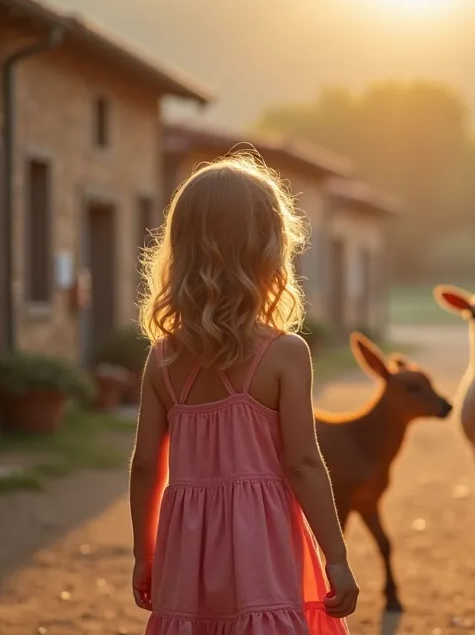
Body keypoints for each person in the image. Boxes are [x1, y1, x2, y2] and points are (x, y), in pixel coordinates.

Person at [128, 154, 356, 633]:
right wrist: (335, 557)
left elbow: (147, 464)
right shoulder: (284, 353)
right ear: (269, 249)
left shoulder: (162, 359)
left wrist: (144, 553)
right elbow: (303, 463)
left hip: (186, 557)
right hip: (265, 554)